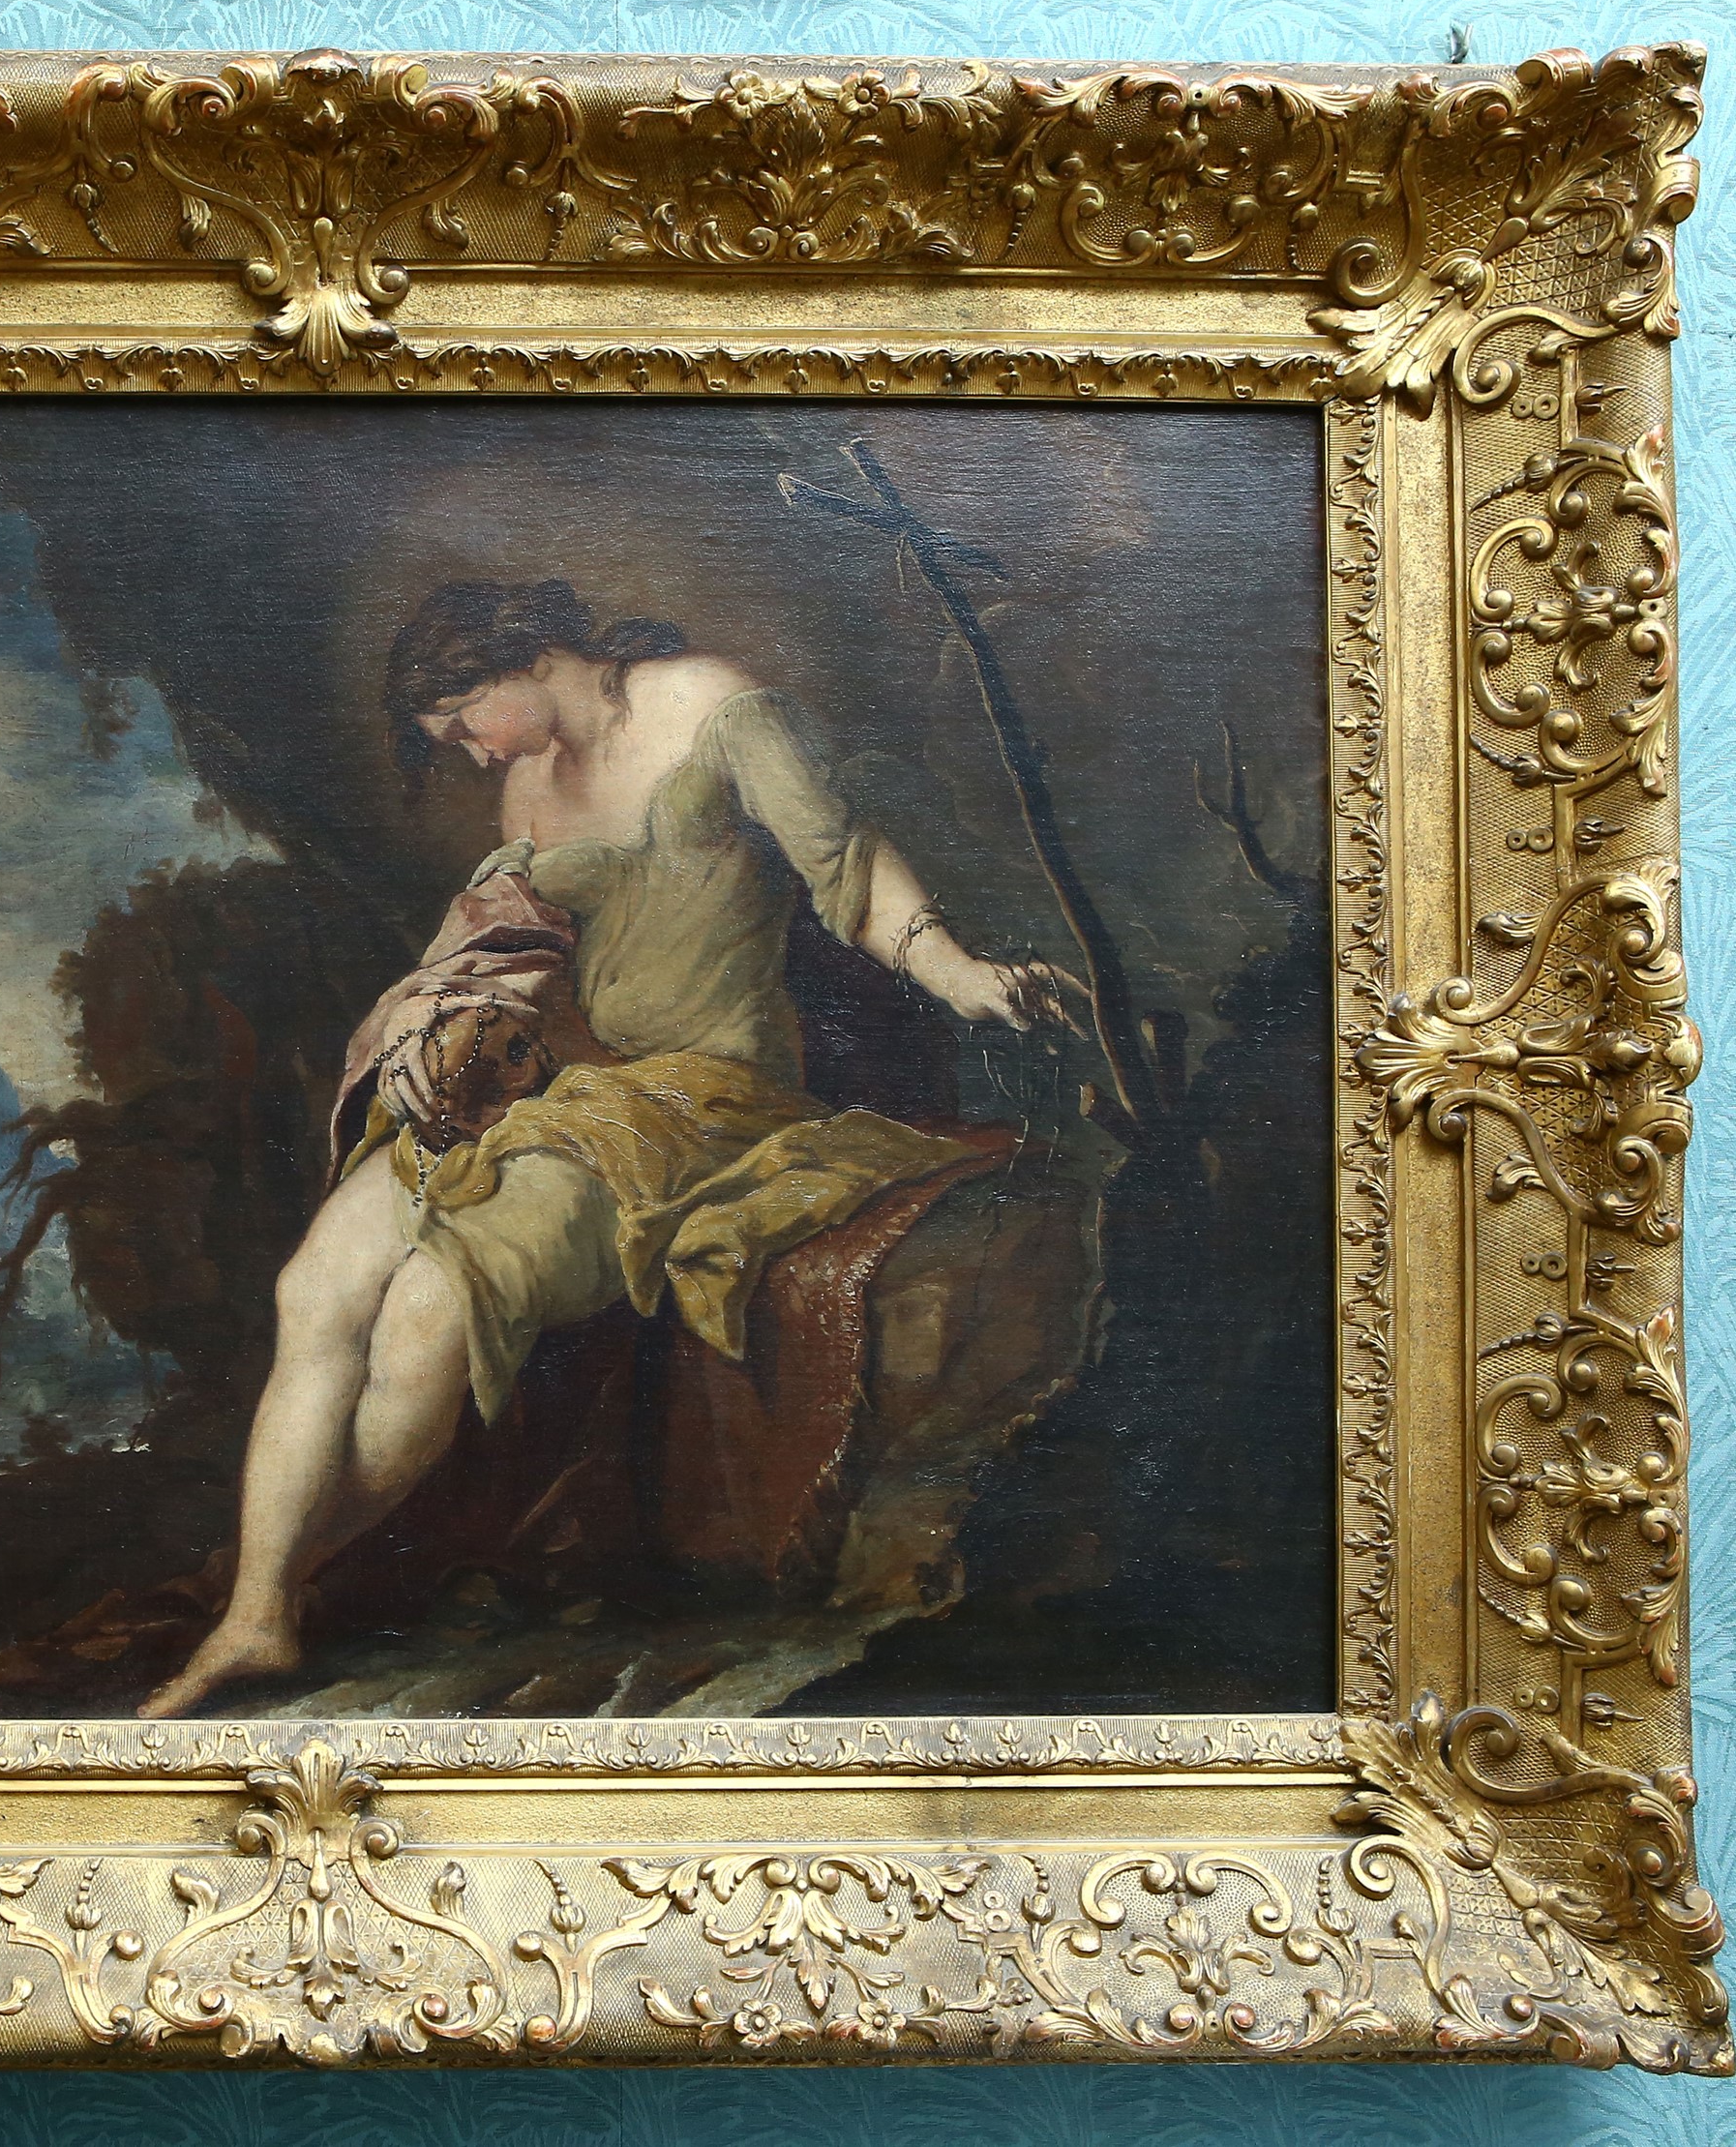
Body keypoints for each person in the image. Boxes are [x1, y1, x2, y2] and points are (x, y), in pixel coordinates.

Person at [138, 579, 1072, 1718]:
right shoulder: (527, 787)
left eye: (464, 723)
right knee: (315, 1284)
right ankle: (258, 1612)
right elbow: (510, 953)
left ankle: (266, 1597)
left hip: (703, 1098)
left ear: (519, 659)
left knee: (433, 1303)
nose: (474, 755)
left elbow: (848, 864)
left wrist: (961, 974)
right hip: (558, 1085)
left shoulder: (709, 704)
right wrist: (440, 1026)